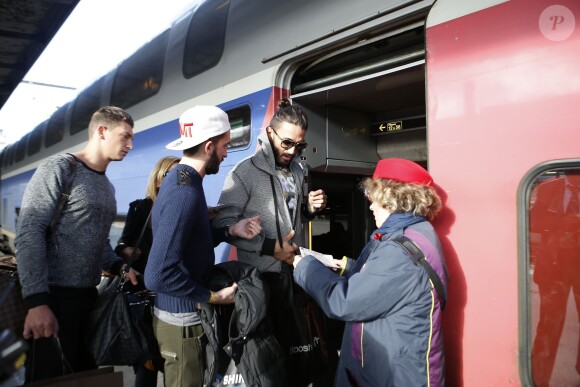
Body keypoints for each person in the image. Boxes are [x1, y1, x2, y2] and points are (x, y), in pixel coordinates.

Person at [291, 158, 447, 387]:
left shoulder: (399, 252)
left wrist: (301, 265)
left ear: (395, 200)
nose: (371, 206)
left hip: (393, 377)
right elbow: (383, 282)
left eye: (376, 200)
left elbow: (344, 302)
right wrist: (342, 266)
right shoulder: (414, 233)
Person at [15, 106, 139, 381]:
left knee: (85, 379)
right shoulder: (59, 168)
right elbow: (29, 233)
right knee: (50, 377)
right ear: (102, 131)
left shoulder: (107, 187)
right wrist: (37, 303)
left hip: (87, 300)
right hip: (54, 299)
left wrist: (118, 264)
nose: (131, 144)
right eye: (125, 136)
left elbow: (99, 240)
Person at [212, 98, 331, 385]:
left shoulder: (300, 171)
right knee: (268, 361)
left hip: (293, 275)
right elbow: (223, 225)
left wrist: (311, 209)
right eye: (287, 143)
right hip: (259, 278)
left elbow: (295, 218)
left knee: (297, 351)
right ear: (269, 134)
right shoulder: (244, 173)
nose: (292, 151)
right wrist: (268, 247)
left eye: (299, 146)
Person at [144, 105, 262, 387]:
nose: (226, 153)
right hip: (182, 322)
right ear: (209, 146)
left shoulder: (181, 180)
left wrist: (229, 230)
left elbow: (190, 242)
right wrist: (212, 297)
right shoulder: (185, 193)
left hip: (183, 317)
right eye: (224, 145)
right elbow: (157, 274)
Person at [114, 155, 179, 387]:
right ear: (158, 180)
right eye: (170, 174)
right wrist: (130, 251)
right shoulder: (141, 208)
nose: (177, 179)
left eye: (181, 174)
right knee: (147, 363)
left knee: (174, 361)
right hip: (143, 298)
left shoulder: (184, 207)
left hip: (173, 297)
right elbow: (120, 246)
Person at [530, 173, 580, 387]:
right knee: (549, 326)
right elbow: (534, 224)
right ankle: (538, 380)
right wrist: (560, 221)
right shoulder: (548, 189)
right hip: (554, 266)